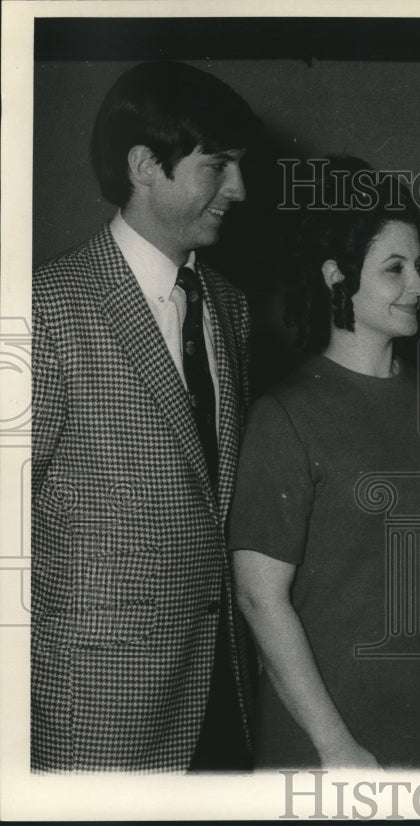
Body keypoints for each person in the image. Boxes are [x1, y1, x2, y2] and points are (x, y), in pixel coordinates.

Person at [229, 157, 420, 769]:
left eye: (419, 266)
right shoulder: (285, 416)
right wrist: (337, 748)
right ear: (335, 278)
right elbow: (259, 599)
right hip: (328, 744)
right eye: (395, 268)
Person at [31, 61, 261, 771]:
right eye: (217, 166)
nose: (240, 190)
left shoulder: (229, 306)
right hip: (99, 702)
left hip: (221, 688)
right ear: (143, 165)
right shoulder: (48, 308)